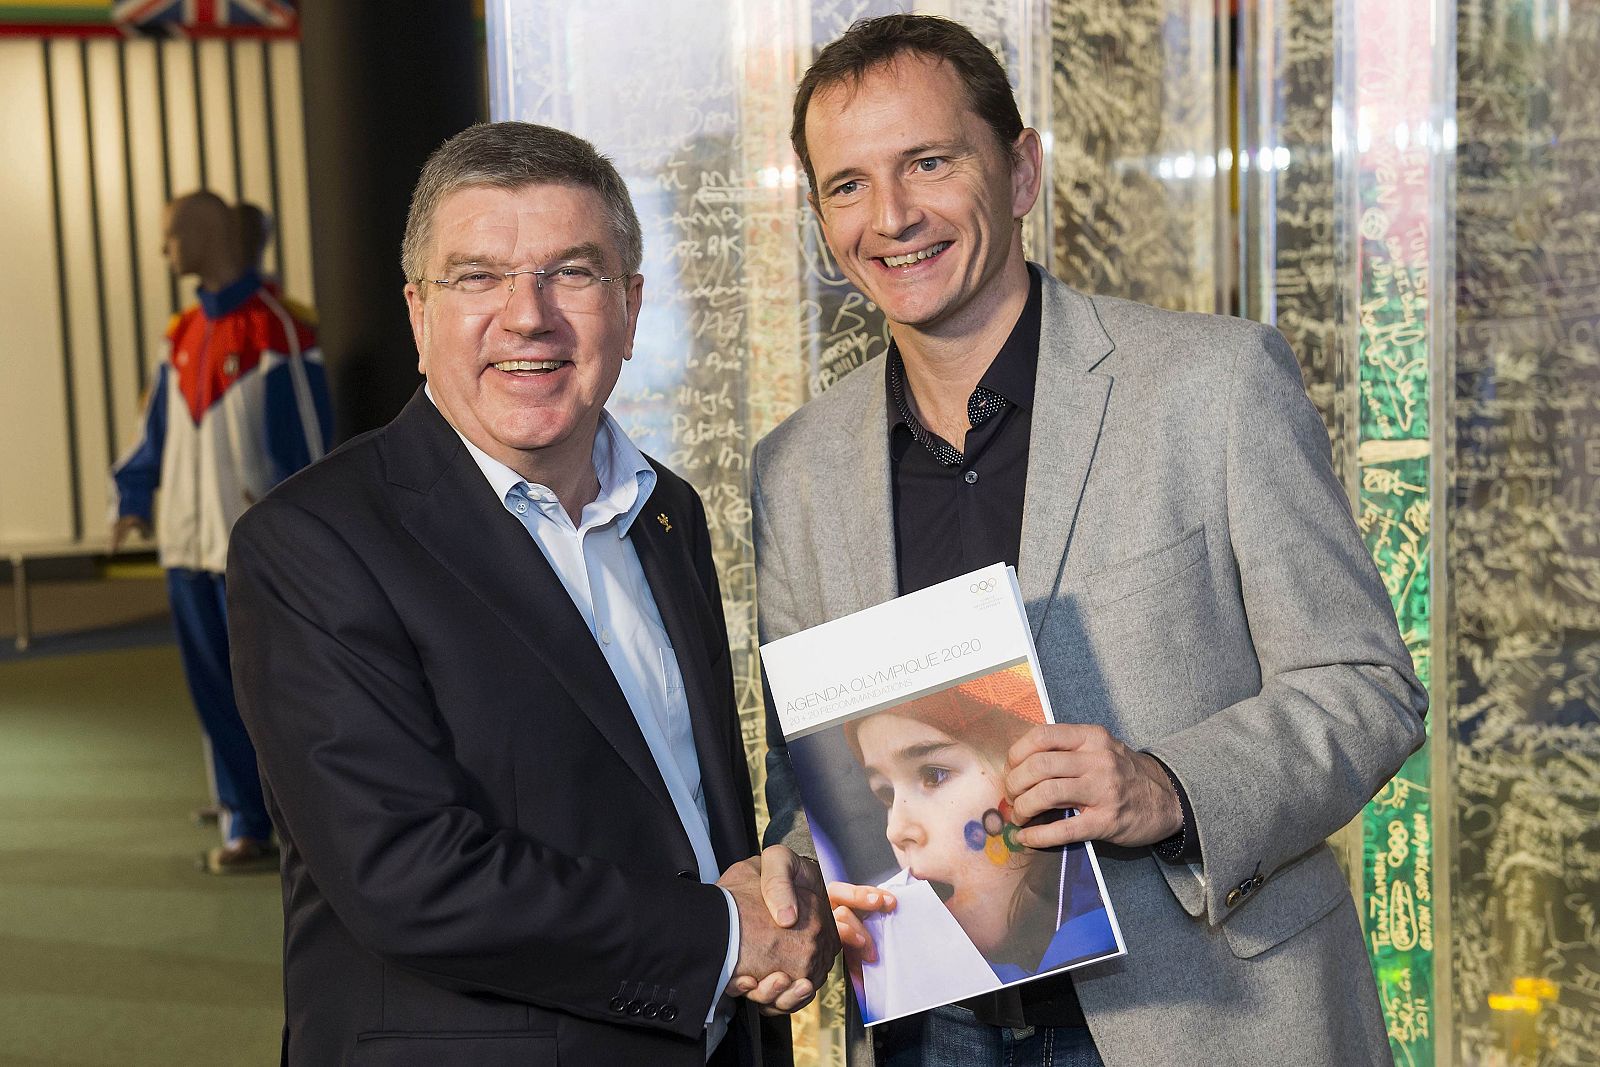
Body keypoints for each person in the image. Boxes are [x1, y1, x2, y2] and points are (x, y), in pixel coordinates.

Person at [753, 14, 1427, 1066]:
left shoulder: (1215, 385)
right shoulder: (793, 470)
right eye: (847, 185)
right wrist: (790, 886)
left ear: (1020, 170)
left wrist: (1170, 784)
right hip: (939, 1036)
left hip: (1215, 1021)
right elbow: (821, 793)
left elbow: (1366, 684)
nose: (890, 216)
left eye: (929, 162)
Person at [226, 121, 835, 1066]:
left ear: (630, 309)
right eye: (477, 277)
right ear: (419, 313)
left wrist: (775, 900)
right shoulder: (314, 543)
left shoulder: (667, 511)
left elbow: (678, 805)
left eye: (573, 272)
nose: (528, 316)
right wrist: (722, 938)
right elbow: (407, 875)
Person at [111, 190, 331, 873]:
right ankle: (245, 819)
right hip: (185, 544)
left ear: (207, 235)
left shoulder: (280, 328)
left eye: (171, 235)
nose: (162, 250)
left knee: (275, 691)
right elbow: (155, 433)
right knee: (211, 687)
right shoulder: (177, 335)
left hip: (255, 551)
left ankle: (306, 819)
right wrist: (134, 496)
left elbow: (311, 443)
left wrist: (315, 536)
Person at [799, 666, 1115, 1023]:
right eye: (886, 794)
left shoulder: (1098, 931)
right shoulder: (904, 969)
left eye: (933, 775)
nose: (896, 829)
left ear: (1037, 777)